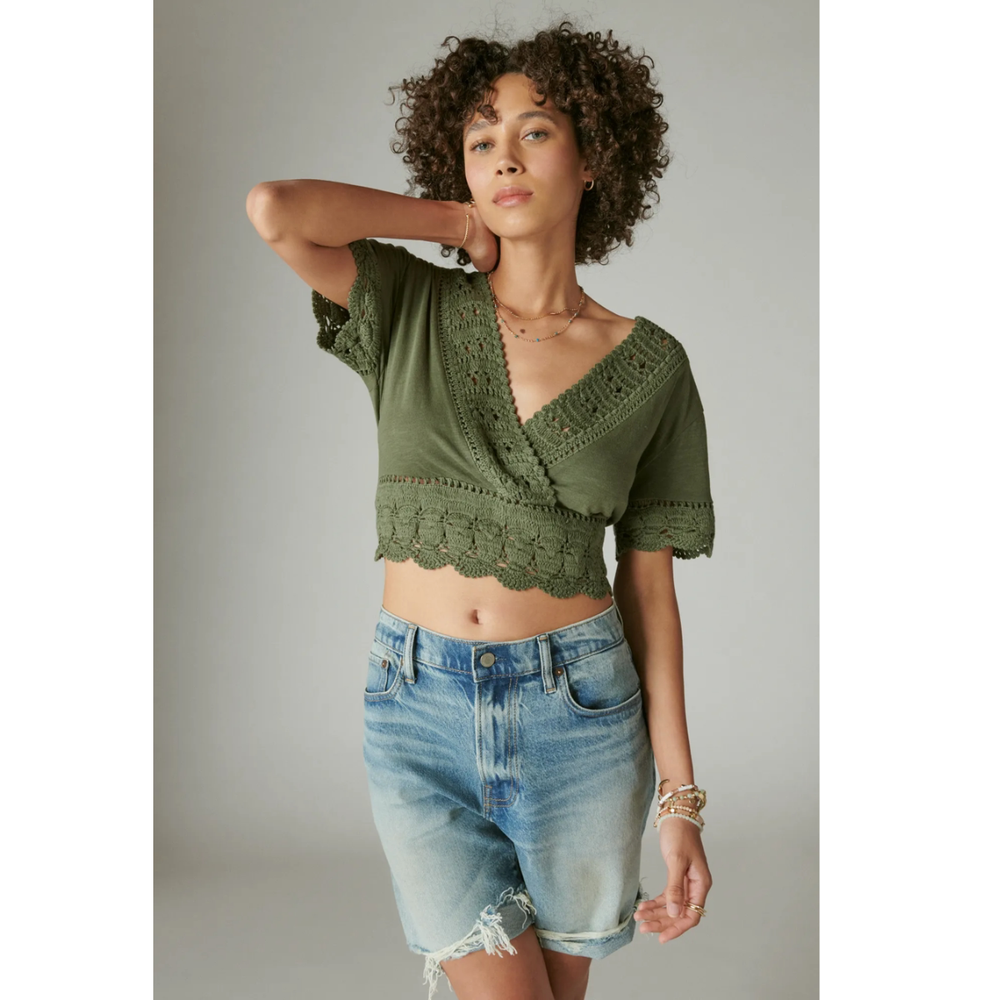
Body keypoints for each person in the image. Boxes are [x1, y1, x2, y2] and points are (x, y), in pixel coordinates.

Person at [247, 21, 715, 1000]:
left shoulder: (652, 366)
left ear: (593, 155)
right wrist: (455, 226)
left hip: (579, 717)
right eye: (480, 138)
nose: (505, 156)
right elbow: (276, 209)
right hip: (415, 712)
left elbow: (650, 591)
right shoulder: (406, 307)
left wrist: (680, 800)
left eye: (534, 131)